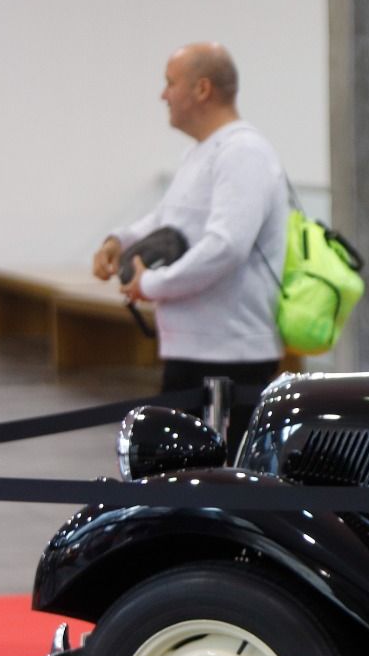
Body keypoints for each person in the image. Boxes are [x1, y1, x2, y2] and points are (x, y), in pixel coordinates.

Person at [92, 42, 286, 449]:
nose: (163, 94)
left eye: (170, 83)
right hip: (196, 351)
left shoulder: (242, 152)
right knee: (179, 482)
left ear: (202, 89)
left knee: (219, 491)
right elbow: (168, 218)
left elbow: (226, 247)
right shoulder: (201, 152)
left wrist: (153, 285)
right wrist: (119, 241)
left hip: (230, 358)